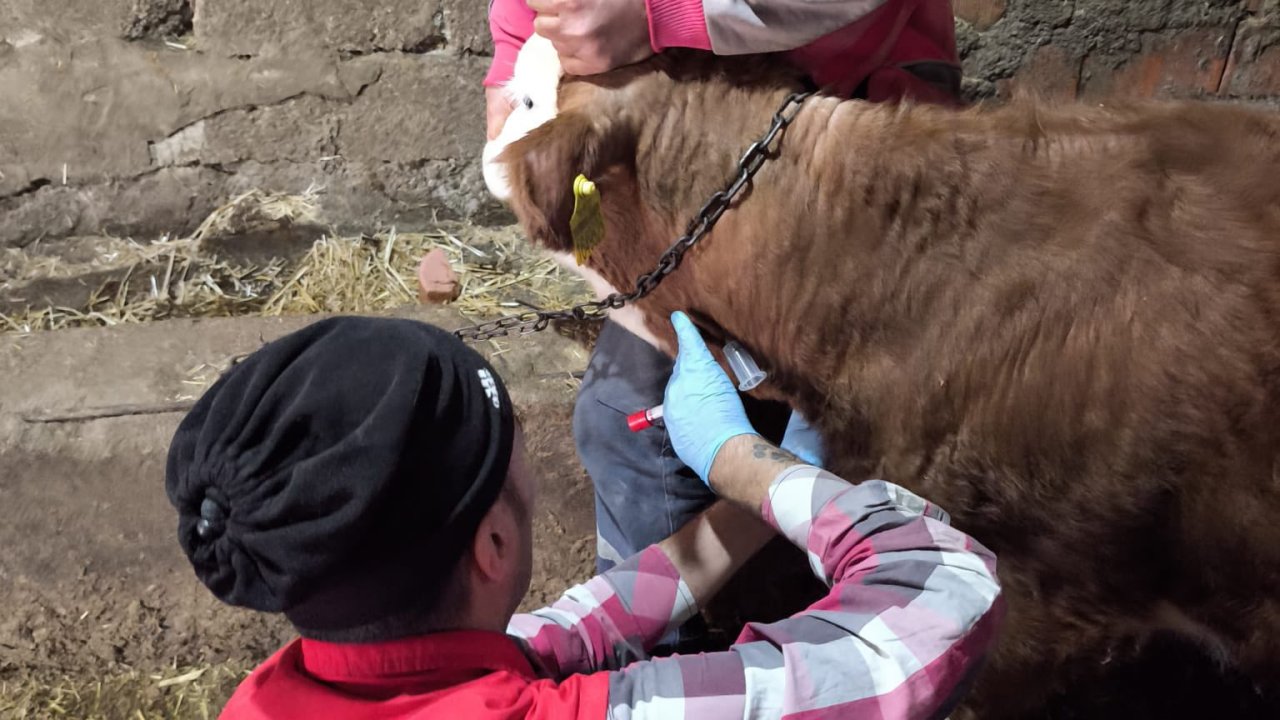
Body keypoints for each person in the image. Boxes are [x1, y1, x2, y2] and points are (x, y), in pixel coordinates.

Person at [166, 314, 1003, 719]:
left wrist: (752, 507)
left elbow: (567, 631)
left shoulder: (269, 700)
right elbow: (946, 595)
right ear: (495, 544)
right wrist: (749, 464)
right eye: (514, 454)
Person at [482, 0, 966, 651]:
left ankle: (857, 618)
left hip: (851, 115)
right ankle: (678, 655)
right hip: (678, 147)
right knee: (623, 421)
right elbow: (531, 31)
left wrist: (663, 16)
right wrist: (521, 60)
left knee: (876, 420)